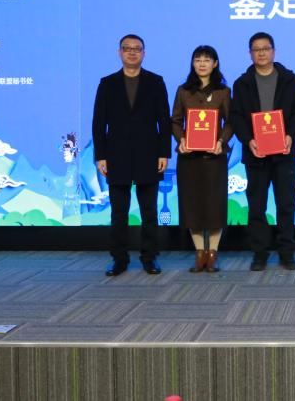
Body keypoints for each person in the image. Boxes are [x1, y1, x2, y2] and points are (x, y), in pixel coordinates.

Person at [92, 34, 171, 276]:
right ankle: (119, 259)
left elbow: (164, 121)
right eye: (127, 48)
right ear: (120, 53)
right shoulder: (107, 83)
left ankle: (149, 258)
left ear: (144, 53)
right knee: (118, 213)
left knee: (149, 212)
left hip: (149, 155)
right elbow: (98, 123)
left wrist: (164, 152)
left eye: (137, 48)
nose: (132, 52)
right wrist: (101, 156)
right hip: (116, 156)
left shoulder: (155, 82)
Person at [229, 32, 295, 271]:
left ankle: (287, 253)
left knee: (287, 204)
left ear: (274, 51)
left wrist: (290, 134)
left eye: (265, 48)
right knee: (256, 206)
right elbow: (236, 116)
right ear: (250, 54)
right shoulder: (242, 83)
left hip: (284, 152)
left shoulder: (290, 79)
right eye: (257, 49)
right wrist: (248, 140)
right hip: (256, 154)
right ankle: (259, 254)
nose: (261, 53)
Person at [171, 45, 232, 274]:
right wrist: (181, 139)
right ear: (192, 63)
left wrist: (221, 141)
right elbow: (176, 121)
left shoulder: (223, 91)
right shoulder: (183, 91)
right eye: (198, 59)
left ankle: (213, 253)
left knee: (215, 206)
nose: (202, 63)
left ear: (215, 64)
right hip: (189, 158)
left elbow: (231, 122)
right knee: (192, 205)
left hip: (214, 158)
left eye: (207, 59)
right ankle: (200, 253)